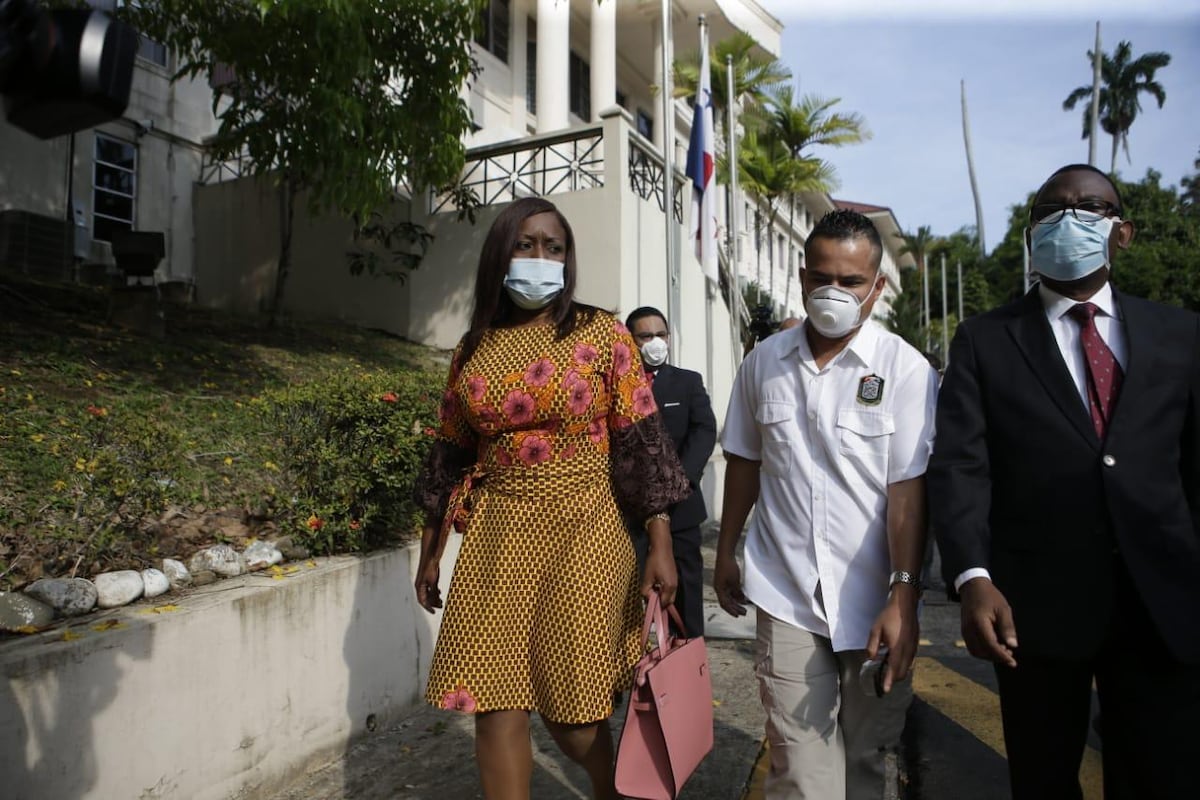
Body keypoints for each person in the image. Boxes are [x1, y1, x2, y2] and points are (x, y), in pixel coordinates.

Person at [928, 164, 1200, 800]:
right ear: (1031, 233)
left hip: (1163, 605)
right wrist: (973, 577)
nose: (1068, 218)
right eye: (1051, 209)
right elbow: (962, 466)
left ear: (1122, 233)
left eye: (1089, 207)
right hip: (1034, 611)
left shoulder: (1181, 334)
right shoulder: (986, 340)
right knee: (1043, 779)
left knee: (1163, 775)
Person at [412, 197, 690, 800]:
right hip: (497, 535)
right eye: (525, 244)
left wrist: (660, 543)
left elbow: (642, 443)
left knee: (573, 713)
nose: (540, 257)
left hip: (585, 526)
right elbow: (450, 453)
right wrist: (430, 553)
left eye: (553, 247)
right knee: (493, 700)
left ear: (568, 259)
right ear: (500, 255)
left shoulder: (602, 333)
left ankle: (612, 792)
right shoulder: (473, 348)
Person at [714, 209, 938, 799]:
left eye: (851, 281)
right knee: (802, 770)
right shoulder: (763, 363)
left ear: (877, 287)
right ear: (801, 276)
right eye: (821, 278)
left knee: (864, 760)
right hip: (785, 589)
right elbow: (744, 462)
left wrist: (903, 596)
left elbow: (907, 494)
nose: (833, 292)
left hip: (874, 602)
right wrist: (727, 550)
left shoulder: (906, 371)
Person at [624, 305, 718, 637]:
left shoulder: (687, 382)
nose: (655, 342)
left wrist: (680, 479)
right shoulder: (619, 384)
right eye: (645, 336)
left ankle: (687, 662)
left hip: (680, 509)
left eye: (661, 335)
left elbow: (704, 430)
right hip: (628, 512)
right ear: (630, 341)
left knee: (685, 596)